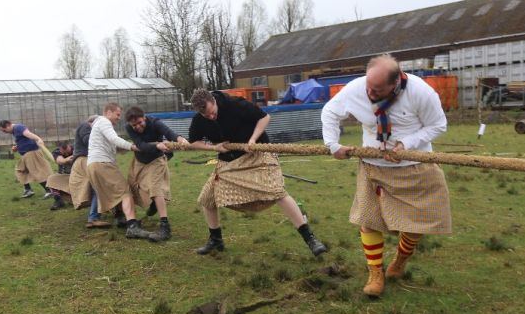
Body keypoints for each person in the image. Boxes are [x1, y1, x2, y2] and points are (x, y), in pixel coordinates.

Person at [321, 54, 451, 298]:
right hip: (373, 166)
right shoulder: (357, 88)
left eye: (378, 89)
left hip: (414, 166)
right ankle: (375, 272)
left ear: (395, 82)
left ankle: (401, 259)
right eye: (369, 85)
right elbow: (330, 112)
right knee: (368, 220)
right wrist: (333, 144)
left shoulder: (421, 92)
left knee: (417, 222)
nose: (370, 92)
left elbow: (437, 125)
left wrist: (406, 144)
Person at [187, 89, 327, 256]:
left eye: (212, 112)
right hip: (228, 162)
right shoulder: (199, 119)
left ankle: (310, 238)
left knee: (278, 192)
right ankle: (216, 240)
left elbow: (264, 117)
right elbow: (193, 142)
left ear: (214, 101)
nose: (211, 117)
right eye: (206, 115)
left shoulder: (236, 104)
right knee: (207, 199)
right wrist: (214, 147)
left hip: (257, 155)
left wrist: (253, 139)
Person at [87, 103, 156, 240]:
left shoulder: (98, 125)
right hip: (103, 163)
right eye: (117, 114)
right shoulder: (104, 122)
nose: (119, 118)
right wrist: (133, 147)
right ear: (109, 112)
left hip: (93, 164)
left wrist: (133, 146)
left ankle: (120, 218)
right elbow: (115, 139)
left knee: (115, 192)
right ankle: (132, 227)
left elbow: (113, 145)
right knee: (125, 192)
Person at [124, 106, 188, 241]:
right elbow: (140, 145)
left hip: (156, 160)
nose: (137, 127)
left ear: (144, 117)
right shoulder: (129, 128)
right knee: (135, 187)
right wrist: (157, 145)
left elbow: (169, 133)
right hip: (139, 161)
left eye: (140, 122)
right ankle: (152, 205)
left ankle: (165, 227)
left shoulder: (155, 123)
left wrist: (180, 139)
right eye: (134, 125)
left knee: (155, 188)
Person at [69, 115, 110, 228]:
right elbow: (88, 140)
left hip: (86, 161)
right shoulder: (85, 125)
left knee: (97, 187)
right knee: (99, 186)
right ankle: (94, 218)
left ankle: (97, 214)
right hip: (85, 160)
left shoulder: (88, 127)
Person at [0, 119, 51, 198]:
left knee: (36, 172)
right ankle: (28, 190)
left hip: (31, 153)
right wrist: (17, 147)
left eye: (4, 130)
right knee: (20, 171)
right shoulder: (14, 131)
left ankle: (49, 191)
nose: (4, 132)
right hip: (26, 155)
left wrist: (38, 139)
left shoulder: (18, 127)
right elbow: (24, 140)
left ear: (8, 125)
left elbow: (28, 134)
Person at [45, 141, 74, 210]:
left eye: (68, 151)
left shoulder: (76, 148)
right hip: (64, 176)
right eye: (64, 153)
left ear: (69, 146)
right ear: (60, 149)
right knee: (51, 179)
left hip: (78, 176)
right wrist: (68, 159)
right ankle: (59, 201)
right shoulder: (56, 152)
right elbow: (60, 161)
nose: (66, 154)